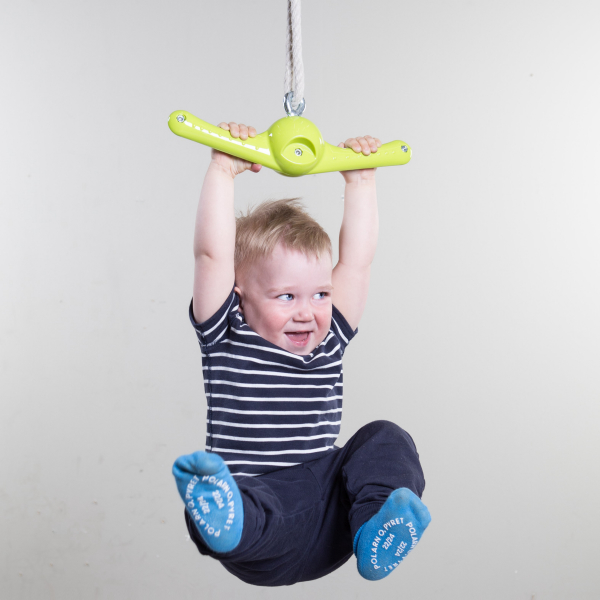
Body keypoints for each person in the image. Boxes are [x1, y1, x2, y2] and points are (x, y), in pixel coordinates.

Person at [172, 121, 431, 586]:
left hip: (334, 525)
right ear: (240, 298)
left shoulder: (329, 339)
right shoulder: (227, 334)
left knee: (386, 437)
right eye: (286, 296)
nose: (307, 312)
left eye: (320, 295)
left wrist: (361, 181)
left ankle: (378, 528)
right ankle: (223, 518)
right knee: (227, 500)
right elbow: (211, 255)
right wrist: (222, 170)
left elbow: (356, 262)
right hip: (262, 528)